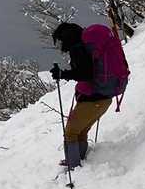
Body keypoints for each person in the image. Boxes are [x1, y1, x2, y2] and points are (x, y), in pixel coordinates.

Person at [50, 21, 129, 169]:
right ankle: (80, 160)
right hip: (104, 98)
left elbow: (85, 74)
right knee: (81, 131)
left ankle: (73, 166)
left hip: (94, 100)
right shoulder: (87, 46)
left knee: (71, 132)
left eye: (60, 40)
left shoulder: (78, 49)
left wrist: (62, 74)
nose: (60, 44)